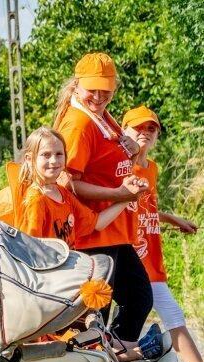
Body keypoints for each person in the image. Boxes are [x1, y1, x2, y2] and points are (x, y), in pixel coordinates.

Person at [13, 127, 158, 362]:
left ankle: (119, 361)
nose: (53, 161)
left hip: (65, 281)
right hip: (52, 286)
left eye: (59, 155)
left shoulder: (63, 194)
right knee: (88, 329)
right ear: (30, 159)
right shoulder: (36, 199)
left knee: (94, 324)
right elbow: (31, 253)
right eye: (46, 155)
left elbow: (97, 223)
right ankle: (130, 355)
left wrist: (128, 198)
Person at [53, 53, 152, 347]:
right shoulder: (79, 124)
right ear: (76, 86)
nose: (99, 96)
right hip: (92, 234)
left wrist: (131, 153)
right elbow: (68, 183)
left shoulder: (100, 115)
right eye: (92, 89)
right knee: (95, 312)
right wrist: (120, 194)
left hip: (112, 231)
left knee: (136, 301)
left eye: (105, 89)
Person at [122, 106, 204, 362]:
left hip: (151, 256)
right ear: (124, 131)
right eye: (137, 128)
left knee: (172, 319)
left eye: (151, 129)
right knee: (168, 318)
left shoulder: (151, 168)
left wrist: (172, 219)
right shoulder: (120, 167)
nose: (144, 133)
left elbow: (145, 209)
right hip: (129, 258)